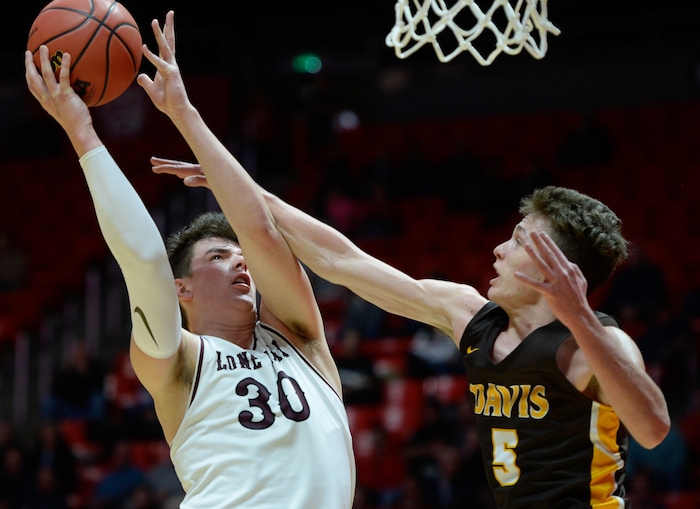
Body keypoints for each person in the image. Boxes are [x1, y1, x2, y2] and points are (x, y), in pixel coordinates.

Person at [152, 156, 671, 506]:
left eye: (515, 240)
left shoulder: (596, 344)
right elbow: (340, 259)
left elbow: (652, 428)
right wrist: (240, 186)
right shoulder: (469, 314)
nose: (498, 250)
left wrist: (578, 314)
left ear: (548, 263)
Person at [25, 10, 355, 508]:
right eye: (221, 257)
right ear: (183, 289)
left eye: (241, 258)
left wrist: (185, 113)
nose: (242, 264)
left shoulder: (303, 340)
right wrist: (81, 130)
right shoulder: (178, 362)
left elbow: (263, 231)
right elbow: (143, 261)